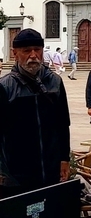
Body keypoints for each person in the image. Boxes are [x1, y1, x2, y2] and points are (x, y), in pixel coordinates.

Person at [0, 28, 71, 195]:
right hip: (17, 173)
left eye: (37, 50)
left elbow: (63, 124)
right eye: (26, 51)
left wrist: (64, 159)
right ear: (15, 53)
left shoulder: (55, 82)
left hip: (51, 168)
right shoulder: (5, 87)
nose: (33, 55)